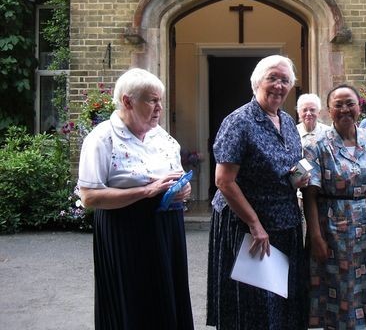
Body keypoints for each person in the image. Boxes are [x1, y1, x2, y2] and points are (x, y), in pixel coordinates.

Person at [77, 68, 194, 330]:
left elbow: (176, 177)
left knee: (168, 298)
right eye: (152, 100)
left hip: (167, 228)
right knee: (132, 301)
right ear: (127, 102)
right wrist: (146, 192)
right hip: (125, 229)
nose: (159, 107)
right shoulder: (102, 139)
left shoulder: (162, 136)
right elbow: (89, 197)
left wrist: (182, 190)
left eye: (160, 100)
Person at [206, 55, 309, 330]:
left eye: (285, 80)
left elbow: (287, 166)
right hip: (248, 227)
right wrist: (255, 224)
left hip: (285, 222)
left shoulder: (288, 122)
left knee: (282, 300)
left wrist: (297, 177)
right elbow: (224, 181)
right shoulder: (239, 122)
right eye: (272, 78)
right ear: (256, 83)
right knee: (255, 306)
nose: (278, 85)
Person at [303, 84, 366, 330]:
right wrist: (315, 237)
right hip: (332, 233)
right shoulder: (315, 145)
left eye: (350, 104)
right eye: (338, 105)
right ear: (329, 110)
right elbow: (309, 195)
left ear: (359, 107)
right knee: (339, 294)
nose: (345, 109)